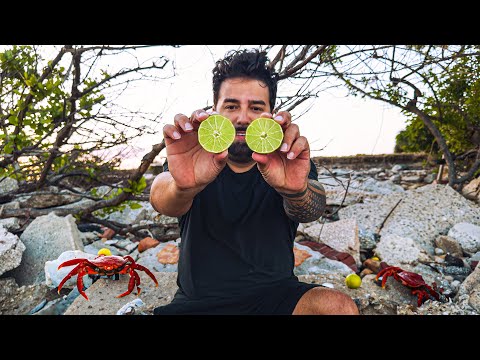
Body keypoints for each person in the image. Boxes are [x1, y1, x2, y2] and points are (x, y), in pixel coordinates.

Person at [150, 49, 359, 315]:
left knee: (337, 307)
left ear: (271, 113)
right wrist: (184, 187)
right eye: (231, 106)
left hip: (275, 297)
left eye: (256, 107)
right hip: (198, 303)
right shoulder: (194, 157)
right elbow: (162, 198)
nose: (243, 117)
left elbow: (312, 208)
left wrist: (295, 191)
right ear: (215, 110)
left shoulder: (288, 161)